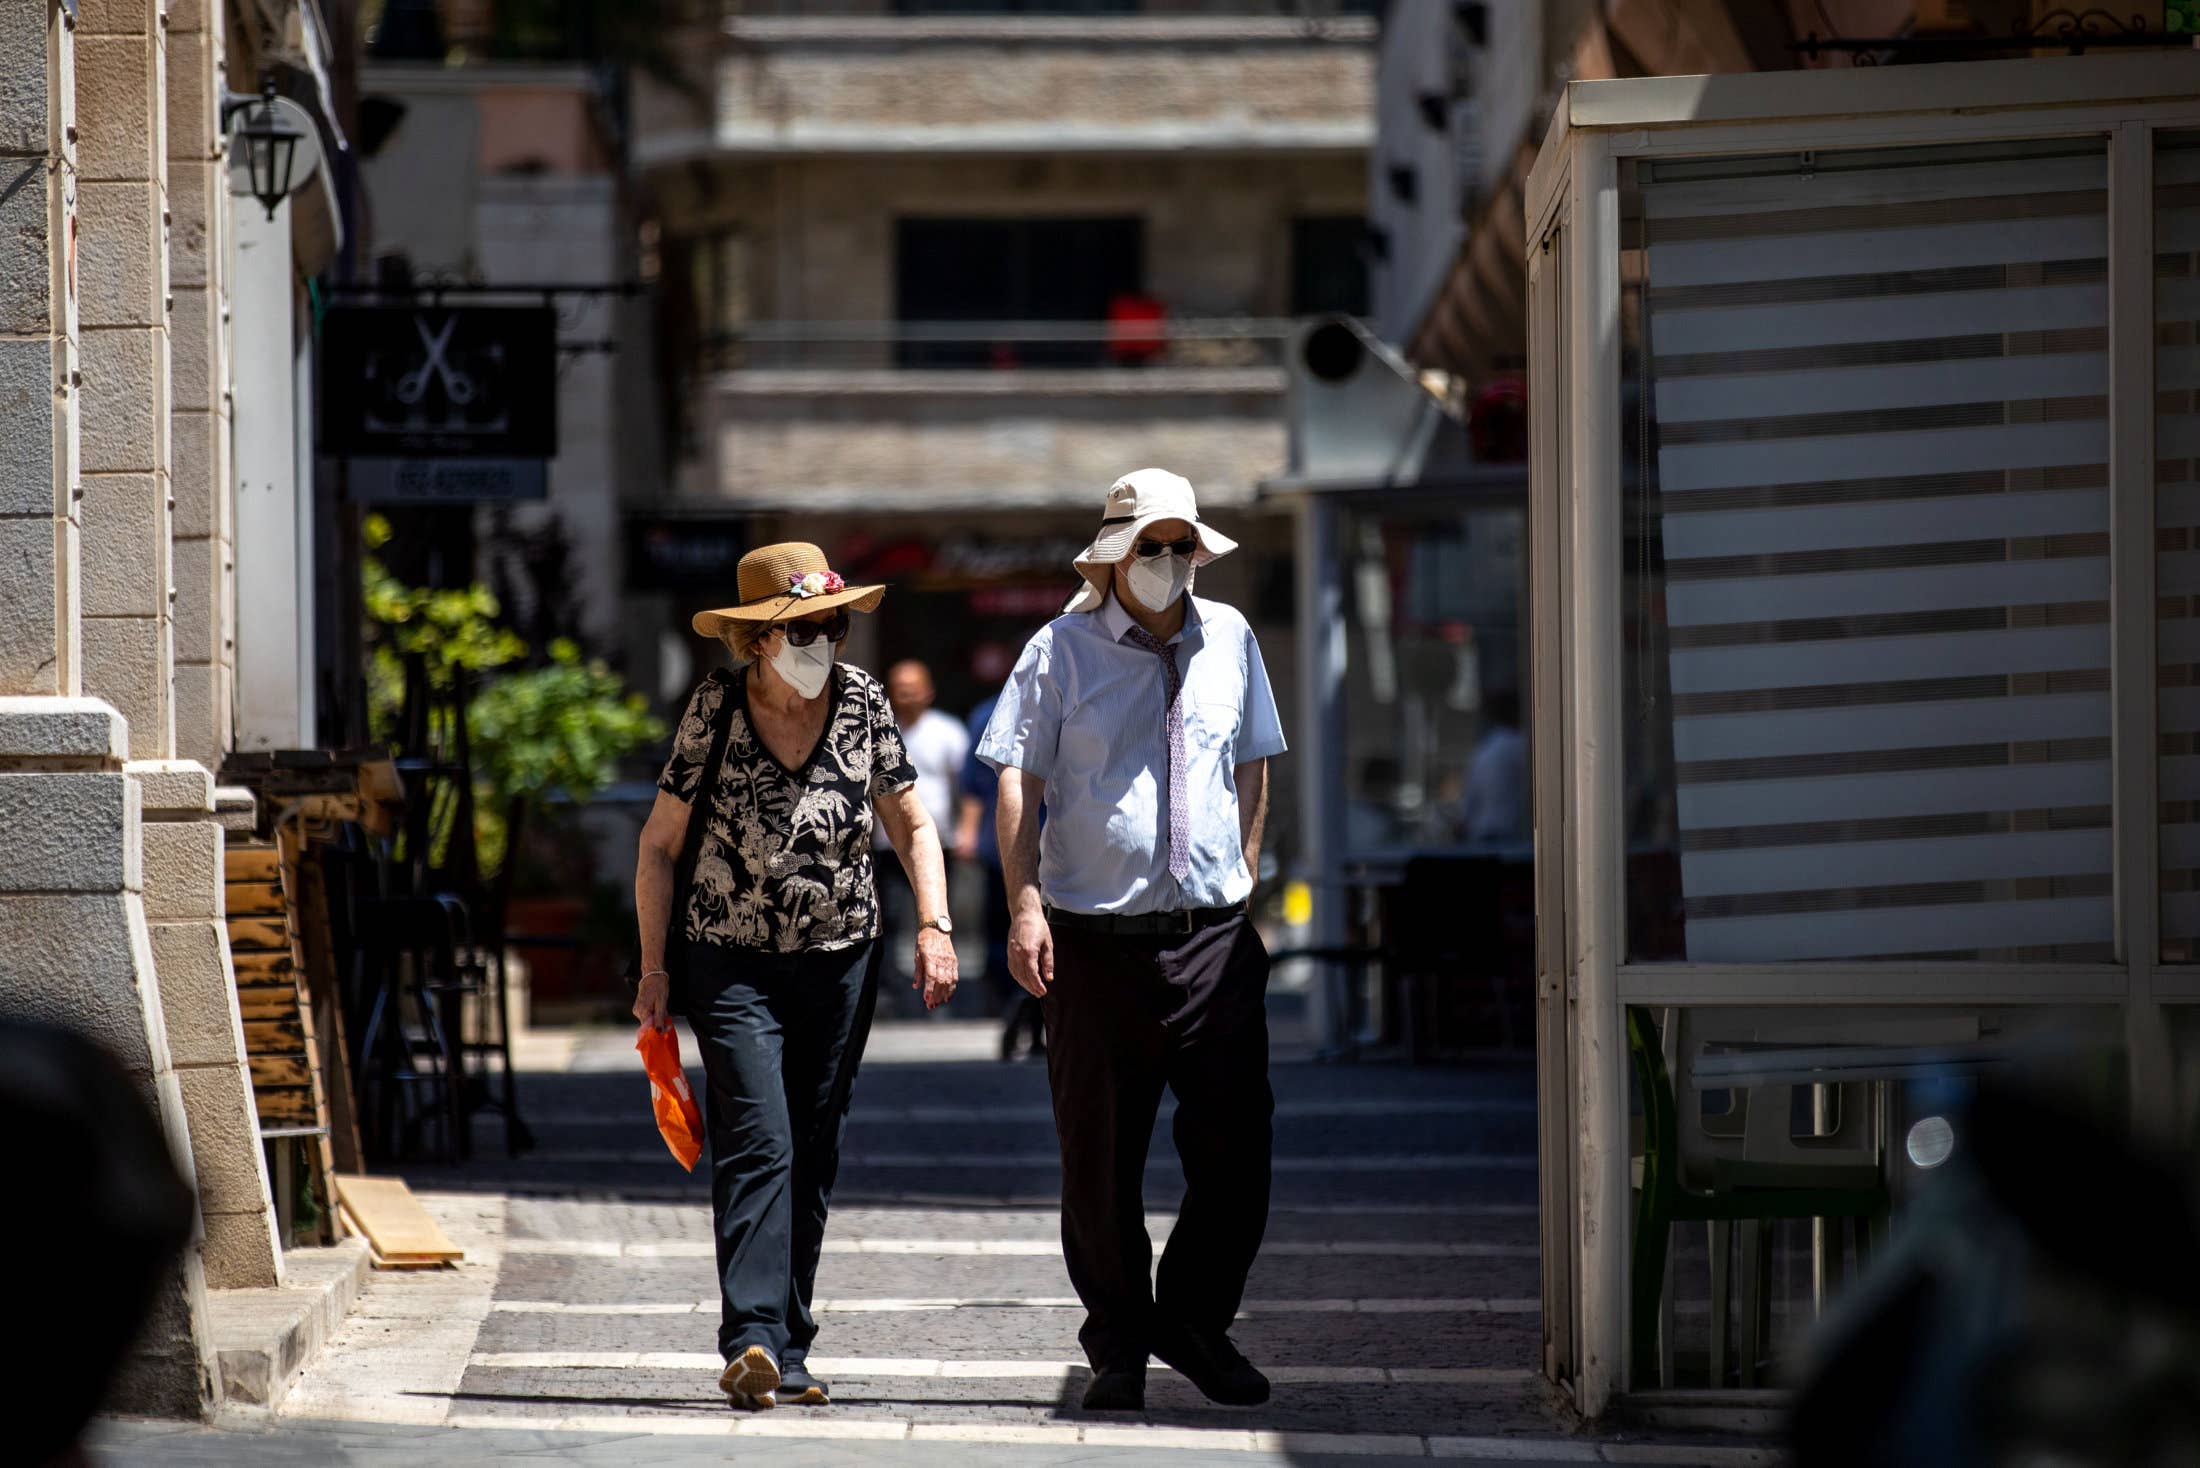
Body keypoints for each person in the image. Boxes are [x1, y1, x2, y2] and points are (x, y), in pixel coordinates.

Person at [978, 467, 1288, 1412]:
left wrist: (1240, 880)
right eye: (1148, 547)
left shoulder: (1230, 636)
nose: (1166, 564)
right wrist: (1023, 906)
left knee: (1239, 1148)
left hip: (1211, 940)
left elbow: (1253, 761)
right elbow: (1017, 785)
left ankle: (1193, 1319)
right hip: (1095, 944)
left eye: (1180, 546)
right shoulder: (1058, 650)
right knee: (1101, 1160)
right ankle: (1117, 1346)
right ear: (1112, 556)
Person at [633, 543, 958, 1413]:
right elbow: (659, 846)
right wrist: (655, 969)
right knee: (759, 1137)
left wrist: (935, 926)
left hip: (840, 961)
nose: (822, 640)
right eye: (802, 628)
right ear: (756, 644)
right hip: (728, 961)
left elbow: (913, 825)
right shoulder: (716, 708)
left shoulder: (862, 703)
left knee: (813, 1149)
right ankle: (748, 1334)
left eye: (832, 625)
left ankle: (792, 1345)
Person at [873, 660, 968, 1015]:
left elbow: (966, 788)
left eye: (913, 688)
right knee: (891, 918)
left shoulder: (948, 732)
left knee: (938, 917)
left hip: (939, 844)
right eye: (900, 688)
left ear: (928, 691)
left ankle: (941, 988)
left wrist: (967, 830)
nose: (906, 695)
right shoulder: (880, 733)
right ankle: (892, 990)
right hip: (887, 845)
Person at [954, 692, 1044, 1060]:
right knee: (1001, 931)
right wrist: (969, 830)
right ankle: (1013, 1005)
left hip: (1057, 846)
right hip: (1006, 846)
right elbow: (974, 782)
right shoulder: (989, 712)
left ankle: (1030, 1011)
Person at [1460, 690, 1526, 845]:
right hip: (1511, 837)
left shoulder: (1483, 750)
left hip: (1483, 835)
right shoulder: (1519, 745)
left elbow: (1468, 803)